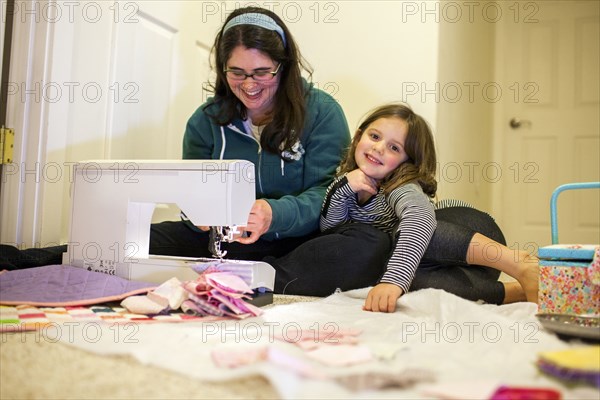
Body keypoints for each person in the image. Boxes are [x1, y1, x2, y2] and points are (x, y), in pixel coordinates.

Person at [0, 6, 350, 268]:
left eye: (262, 72)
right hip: (216, 240)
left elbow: (329, 195)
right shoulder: (206, 121)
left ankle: (260, 278)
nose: (249, 85)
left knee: (352, 250)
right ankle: (13, 263)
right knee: (116, 244)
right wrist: (196, 213)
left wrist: (274, 213)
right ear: (222, 69)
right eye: (236, 72)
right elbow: (188, 191)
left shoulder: (322, 112)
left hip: (292, 241)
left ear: (284, 66)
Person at [267, 103, 539, 312]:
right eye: (374, 136)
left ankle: (518, 262)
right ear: (359, 136)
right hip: (459, 270)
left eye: (394, 148)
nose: (379, 148)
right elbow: (332, 231)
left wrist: (393, 281)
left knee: (402, 246)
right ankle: (508, 292)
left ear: (408, 162)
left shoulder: (401, 185)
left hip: (471, 234)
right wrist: (345, 189)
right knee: (413, 284)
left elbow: (420, 221)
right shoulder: (346, 182)